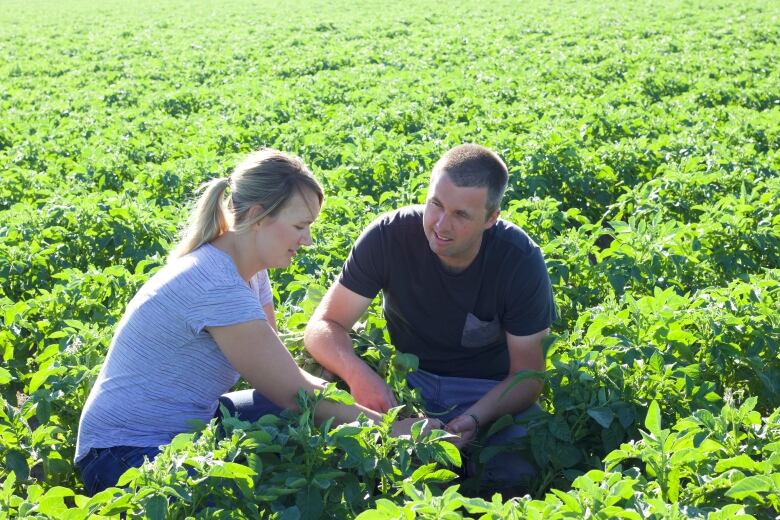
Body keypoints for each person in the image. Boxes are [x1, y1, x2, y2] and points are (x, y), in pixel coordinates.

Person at [75, 149, 436, 496]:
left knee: (295, 418)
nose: (307, 240)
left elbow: (277, 372)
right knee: (234, 495)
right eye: (299, 225)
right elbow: (292, 393)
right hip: (122, 453)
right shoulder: (215, 283)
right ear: (260, 217)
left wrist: (348, 393)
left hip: (189, 425)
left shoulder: (251, 273)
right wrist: (395, 431)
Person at [304, 144, 557, 491]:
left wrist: (473, 418)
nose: (441, 224)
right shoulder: (390, 235)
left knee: (512, 474)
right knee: (350, 464)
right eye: (435, 204)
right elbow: (322, 327)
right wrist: (358, 374)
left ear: (491, 218)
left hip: (488, 394)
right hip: (408, 385)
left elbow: (528, 377)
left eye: (461, 215)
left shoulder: (518, 260)